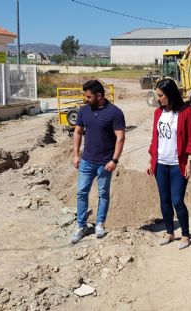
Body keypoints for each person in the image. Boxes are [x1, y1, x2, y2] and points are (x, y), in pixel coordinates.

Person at [71, 80, 126, 244]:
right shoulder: (83, 111)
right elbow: (78, 133)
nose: (86, 99)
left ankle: (100, 224)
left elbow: (120, 137)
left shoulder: (115, 113)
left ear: (99, 95)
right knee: (81, 192)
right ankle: (81, 226)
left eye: (88, 96)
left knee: (103, 193)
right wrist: (76, 155)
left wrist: (114, 160)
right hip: (87, 161)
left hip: (105, 163)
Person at [147, 78, 191, 250]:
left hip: (178, 164)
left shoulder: (186, 112)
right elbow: (155, 138)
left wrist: (190, 161)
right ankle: (169, 232)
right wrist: (150, 159)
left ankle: (185, 234)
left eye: (160, 95)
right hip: (161, 163)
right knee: (164, 200)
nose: (158, 99)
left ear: (170, 94)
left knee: (177, 200)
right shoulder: (157, 114)